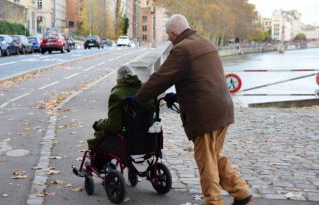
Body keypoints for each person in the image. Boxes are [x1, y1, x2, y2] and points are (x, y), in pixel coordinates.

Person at [131, 14, 252, 205]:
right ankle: (241, 192)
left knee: (206, 161)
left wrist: (138, 98)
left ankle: (213, 201)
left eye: (169, 35)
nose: (169, 39)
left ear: (174, 33)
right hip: (223, 108)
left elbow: (160, 78)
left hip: (206, 114)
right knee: (214, 155)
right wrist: (178, 96)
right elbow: (203, 79)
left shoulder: (182, 49)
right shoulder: (205, 42)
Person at [87, 65, 153, 170]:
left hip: (127, 137)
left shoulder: (117, 94)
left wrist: (98, 124)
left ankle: (97, 165)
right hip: (148, 138)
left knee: (102, 135)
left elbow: (114, 125)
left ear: (118, 80)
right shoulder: (146, 89)